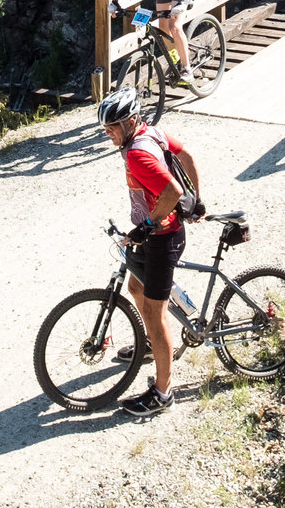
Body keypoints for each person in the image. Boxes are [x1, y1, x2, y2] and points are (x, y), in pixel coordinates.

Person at [98, 86, 205, 414]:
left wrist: (148, 226)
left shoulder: (137, 153)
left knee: (156, 316)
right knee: (134, 286)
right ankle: (148, 346)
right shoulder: (151, 132)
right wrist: (197, 199)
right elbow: (185, 155)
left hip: (162, 237)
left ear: (131, 122)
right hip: (153, 235)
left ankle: (162, 392)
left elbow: (171, 192)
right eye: (105, 128)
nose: (109, 133)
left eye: (113, 127)